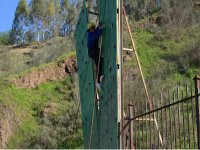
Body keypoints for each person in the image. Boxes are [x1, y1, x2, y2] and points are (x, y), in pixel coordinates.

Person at [87, 22, 105, 91]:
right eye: (92, 28)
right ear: (89, 29)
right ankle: (97, 82)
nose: (93, 29)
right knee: (99, 63)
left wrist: (98, 27)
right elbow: (96, 36)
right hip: (92, 52)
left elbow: (96, 31)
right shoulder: (90, 35)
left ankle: (100, 76)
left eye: (94, 28)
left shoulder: (92, 32)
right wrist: (100, 29)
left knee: (101, 61)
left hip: (95, 50)